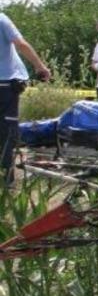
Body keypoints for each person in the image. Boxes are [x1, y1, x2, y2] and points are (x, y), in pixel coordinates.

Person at [0, 12, 51, 183]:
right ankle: (7, 179)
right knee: (7, 131)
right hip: (5, 84)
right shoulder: (1, 18)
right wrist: (40, 66)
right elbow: (20, 44)